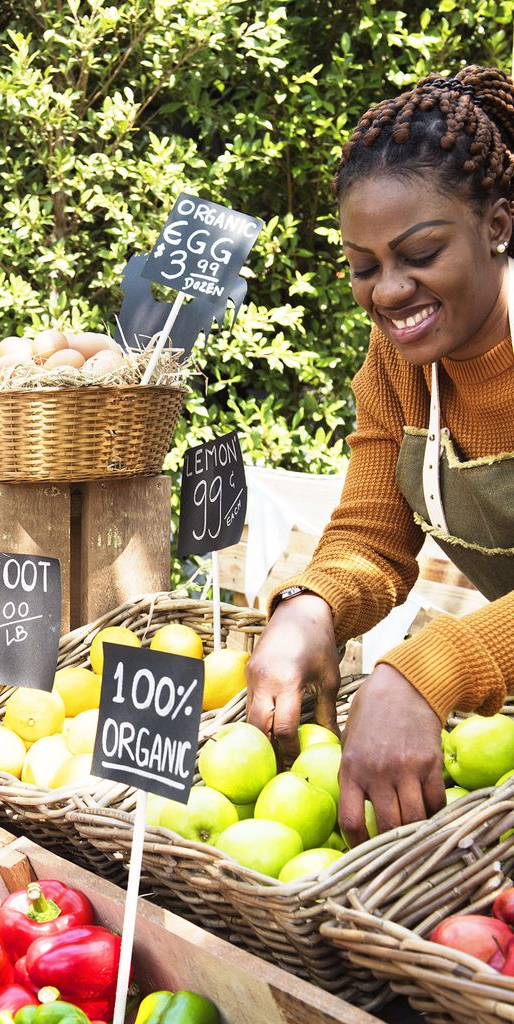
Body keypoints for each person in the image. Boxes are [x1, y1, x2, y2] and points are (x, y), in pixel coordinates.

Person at [245, 64, 514, 848]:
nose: (390, 291)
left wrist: (429, 667)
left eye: (419, 253)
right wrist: (309, 608)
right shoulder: (404, 360)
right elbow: (372, 533)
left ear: (498, 224)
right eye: (364, 267)